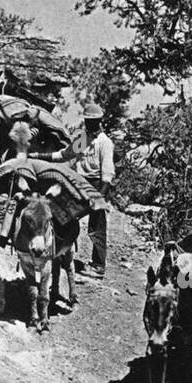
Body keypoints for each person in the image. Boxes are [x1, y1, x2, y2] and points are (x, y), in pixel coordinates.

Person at [74, 102, 114, 280]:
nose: (89, 124)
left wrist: (99, 198)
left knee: (96, 227)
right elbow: (66, 155)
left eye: (93, 121)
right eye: (87, 120)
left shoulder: (105, 143)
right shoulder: (82, 138)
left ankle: (98, 266)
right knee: (65, 216)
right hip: (79, 182)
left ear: (99, 121)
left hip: (97, 185)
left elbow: (107, 175)